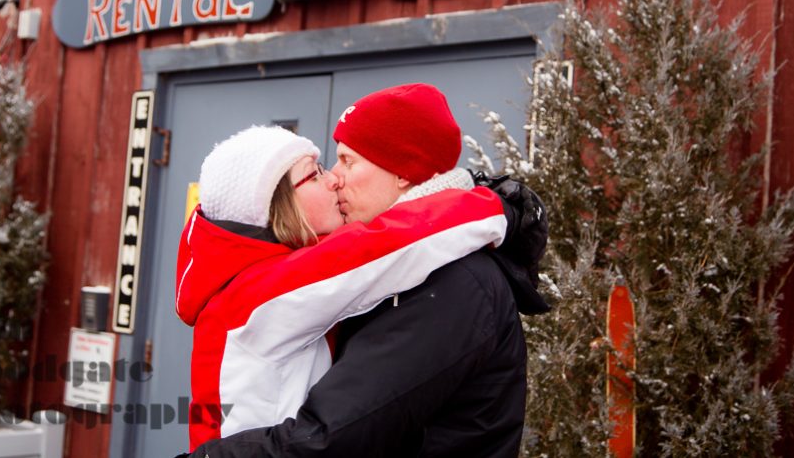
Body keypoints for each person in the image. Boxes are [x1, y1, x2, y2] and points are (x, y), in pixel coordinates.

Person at [191, 83, 549, 458]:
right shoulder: (394, 267)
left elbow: (339, 432)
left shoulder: (455, 281)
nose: (335, 178)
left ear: (403, 173)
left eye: (348, 161)